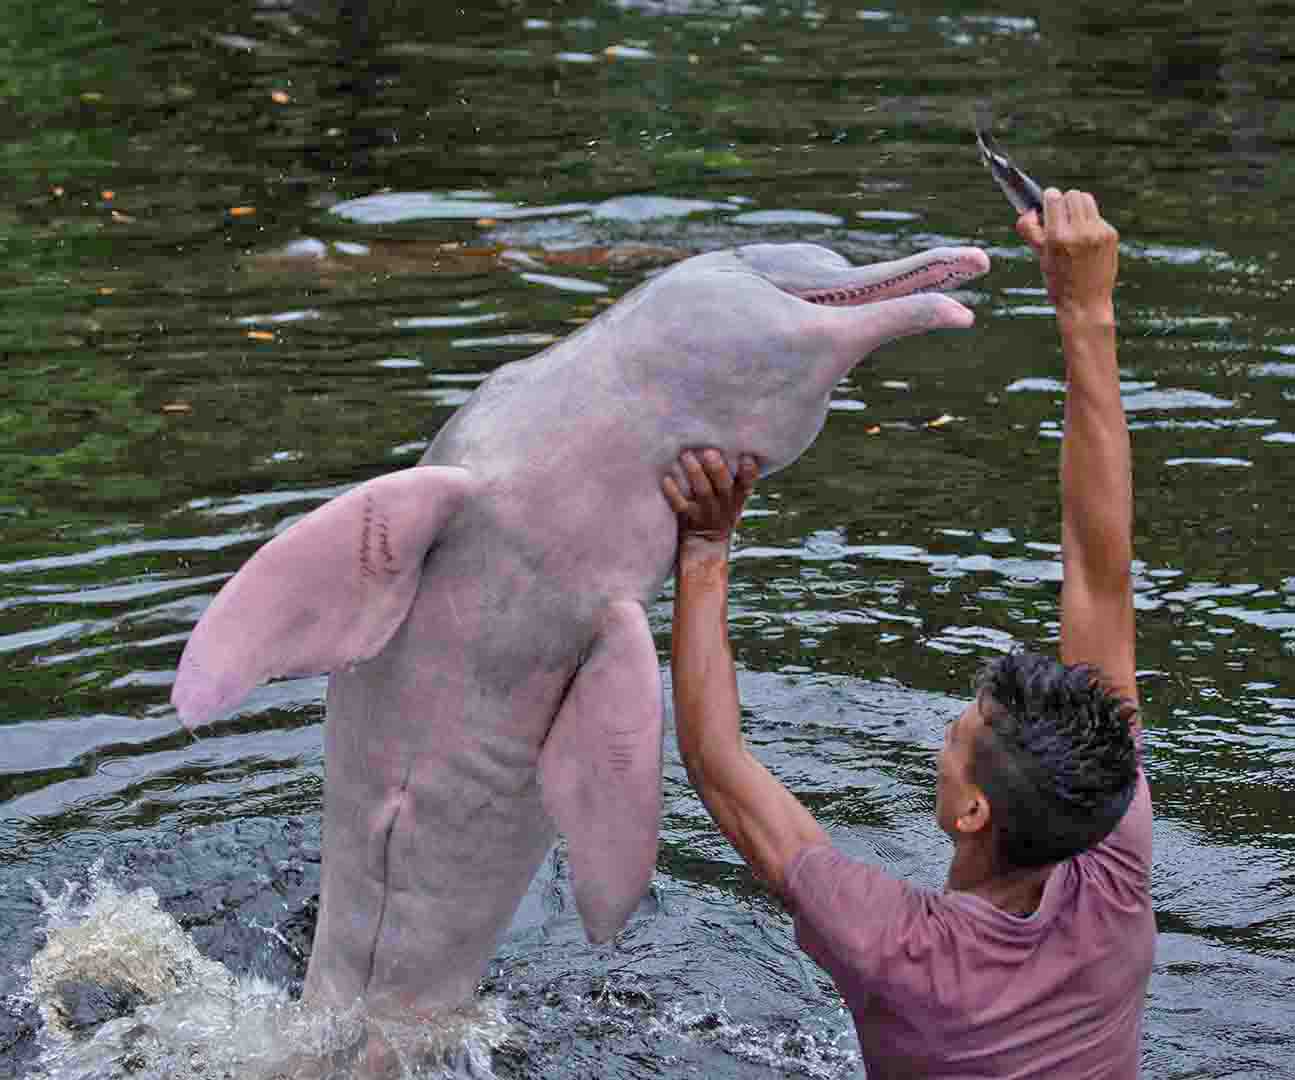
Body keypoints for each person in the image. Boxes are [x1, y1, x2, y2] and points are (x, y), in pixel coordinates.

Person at [663, 188, 1153, 1078]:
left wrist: (703, 549)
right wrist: (1085, 309)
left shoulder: (896, 946)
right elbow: (1098, 571)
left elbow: (716, 763)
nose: (944, 736)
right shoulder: (1109, 870)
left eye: (957, 736)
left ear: (972, 813)